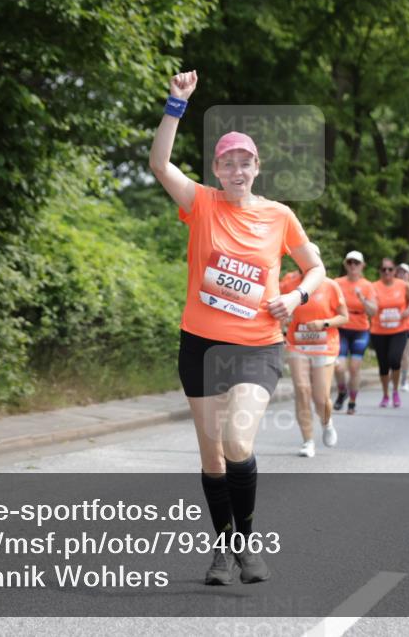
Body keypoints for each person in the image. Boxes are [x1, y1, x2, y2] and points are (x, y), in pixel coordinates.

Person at [149, 70, 326, 585]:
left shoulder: (279, 216)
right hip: (200, 346)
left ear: (256, 167)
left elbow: (315, 267)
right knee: (212, 457)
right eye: (227, 162)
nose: (236, 170)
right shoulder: (201, 203)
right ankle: (224, 552)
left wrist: (295, 296)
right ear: (216, 169)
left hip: (256, 347)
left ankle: (246, 545)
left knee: (236, 442)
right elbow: (159, 164)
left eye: (245, 162)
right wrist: (176, 103)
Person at [283, 249, 348, 458]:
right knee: (302, 390)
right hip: (297, 343)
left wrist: (324, 323)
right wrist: (282, 319)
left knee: (321, 398)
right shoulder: (289, 283)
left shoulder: (330, 285)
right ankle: (307, 441)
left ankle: (327, 422)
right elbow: (277, 307)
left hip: (324, 345)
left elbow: (344, 317)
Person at [370, 258, 409, 408]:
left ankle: (395, 391)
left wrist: (408, 310)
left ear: (395, 271)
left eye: (390, 269)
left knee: (395, 359)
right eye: (383, 269)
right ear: (380, 271)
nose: (387, 272)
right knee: (383, 364)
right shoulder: (374, 287)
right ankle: (385, 394)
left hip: (399, 329)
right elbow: (371, 305)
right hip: (379, 330)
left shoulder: (403, 285)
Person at [333, 251, 377, 415]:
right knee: (339, 366)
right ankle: (342, 391)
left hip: (360, 330)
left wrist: (362, 299)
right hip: (341, 329)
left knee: (354, 367)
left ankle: (352, 401)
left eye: (356, 263)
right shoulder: (337, 283)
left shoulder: (367, 286)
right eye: (350, 262)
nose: (353, 266)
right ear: (345, 264)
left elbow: (373, 311)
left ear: (362, 266)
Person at [395, 263, 409, 392]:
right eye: (399, 272)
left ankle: (404, 380)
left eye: (404, 272)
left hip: (408, 325)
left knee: (404, 353)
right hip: (392, 326)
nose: (401, 275)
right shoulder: (391, 286)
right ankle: (394, 376)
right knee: (394, 354)